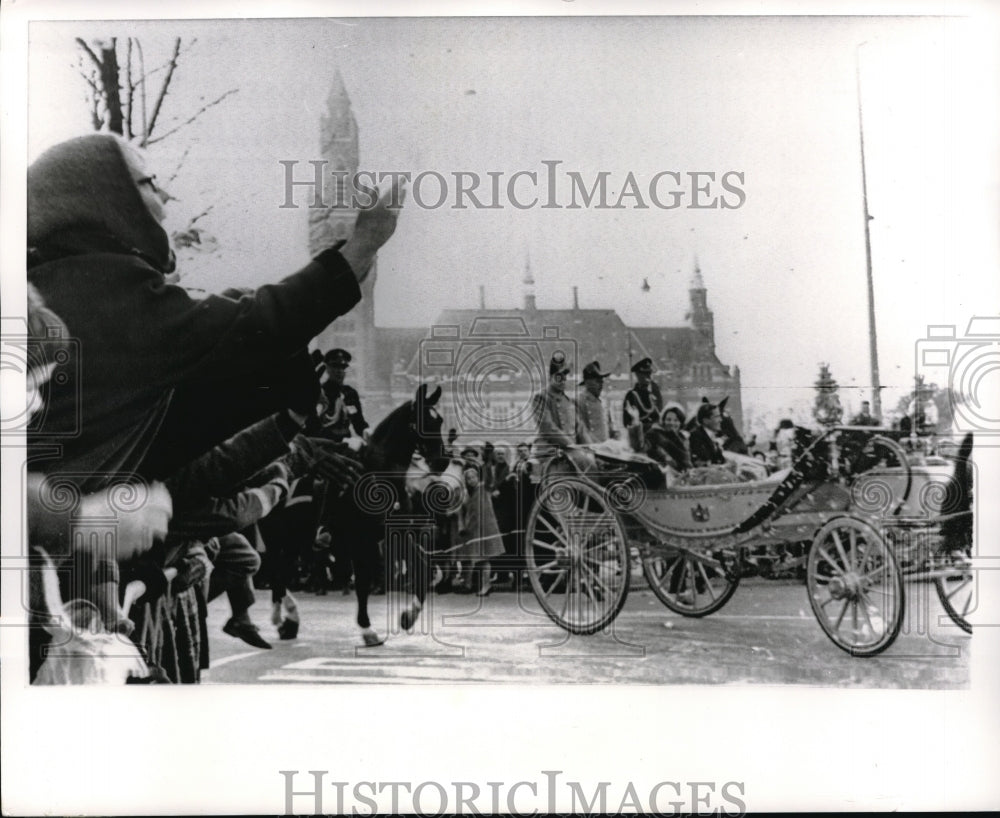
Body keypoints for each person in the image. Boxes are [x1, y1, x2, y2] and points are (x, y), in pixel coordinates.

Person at [27, 133, 402, 492]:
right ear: (111, 200)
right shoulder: (103, 288)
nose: (166, 196)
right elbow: (251, 326)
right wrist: (361, 247)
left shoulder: (59, 279)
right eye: (149, 183)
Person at [623, 357, 663, 448]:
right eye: (645, 374)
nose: (648, 377)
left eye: (649, 373)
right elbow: (626, 422)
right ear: (638, 375)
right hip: (640, 438)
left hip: (657, 437)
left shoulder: (655, 391)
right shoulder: (631, 396)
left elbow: (660, 412)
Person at [576, 360, 616, 444]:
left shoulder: (604, 401)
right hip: (591, 448)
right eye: (597, 381)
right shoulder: (580, 401)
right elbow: (581, 431)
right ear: (587, 382)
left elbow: (611, 427)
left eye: (601, 381)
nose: (601, 385)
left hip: (608, 448)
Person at [688, 401, 728, 467]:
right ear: (705, 420)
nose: (720, 420)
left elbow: (720, 460)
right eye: (716, 417)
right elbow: (699, 463)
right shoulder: (696, 436)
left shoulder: (712, 436)